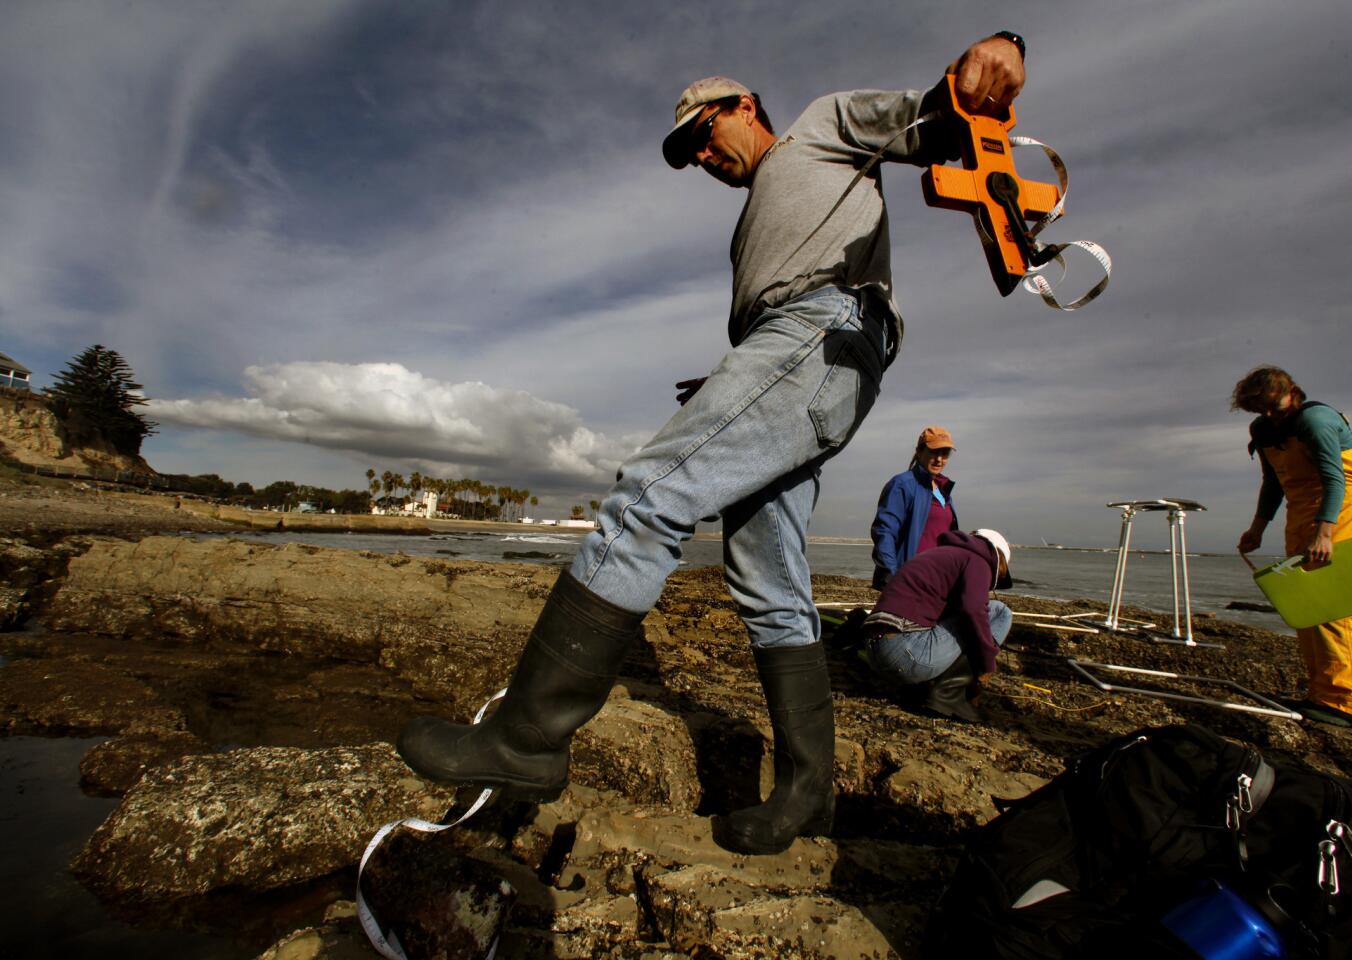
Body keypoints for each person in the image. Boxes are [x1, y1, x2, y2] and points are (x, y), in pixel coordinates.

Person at [398, 32, 1029, 856]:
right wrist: (730, 383)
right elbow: (772, 325)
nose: (701, 154)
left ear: (745, 107)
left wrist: (997, 58)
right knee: (764, 571)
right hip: (795, 353)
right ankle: (808, 795)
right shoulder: (751, 230)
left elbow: (937, 117)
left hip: (827, 327)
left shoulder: (818, 128)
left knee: (650, 493)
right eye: (688, 150)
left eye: (704, 131)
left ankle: (527, 738)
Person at [1232, 366, 1352, 730]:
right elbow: (1273, 483)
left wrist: (1325, 532)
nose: (1270, 415)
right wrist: (1257, 528)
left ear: (1292, 392)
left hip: (1345, 506)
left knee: (1338, 602)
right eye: (1260, 410)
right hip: (1301, 508)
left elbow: (1335, 478)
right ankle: (1325, 693)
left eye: (1275, 406)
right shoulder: (1263, 429)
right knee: (1308, 601)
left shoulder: (1316, 420)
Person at [863, 529, 1014, 723]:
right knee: (1000, 612)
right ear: (998, 560)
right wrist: (986, 664)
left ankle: (920, 689)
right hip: (907, 655)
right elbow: (974, 610)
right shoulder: (978, 560)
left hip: (875, 653)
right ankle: (948, 695)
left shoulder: (939, 555)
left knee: (959, 618)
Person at [870, 425, 961, 589]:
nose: (939, 459)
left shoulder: (943, 489)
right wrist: (892, 576)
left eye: (944, 454)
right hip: (910, 579)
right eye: (934, 452)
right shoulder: (903, 484)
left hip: (939, 579)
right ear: (920, 451)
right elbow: (885, 531)